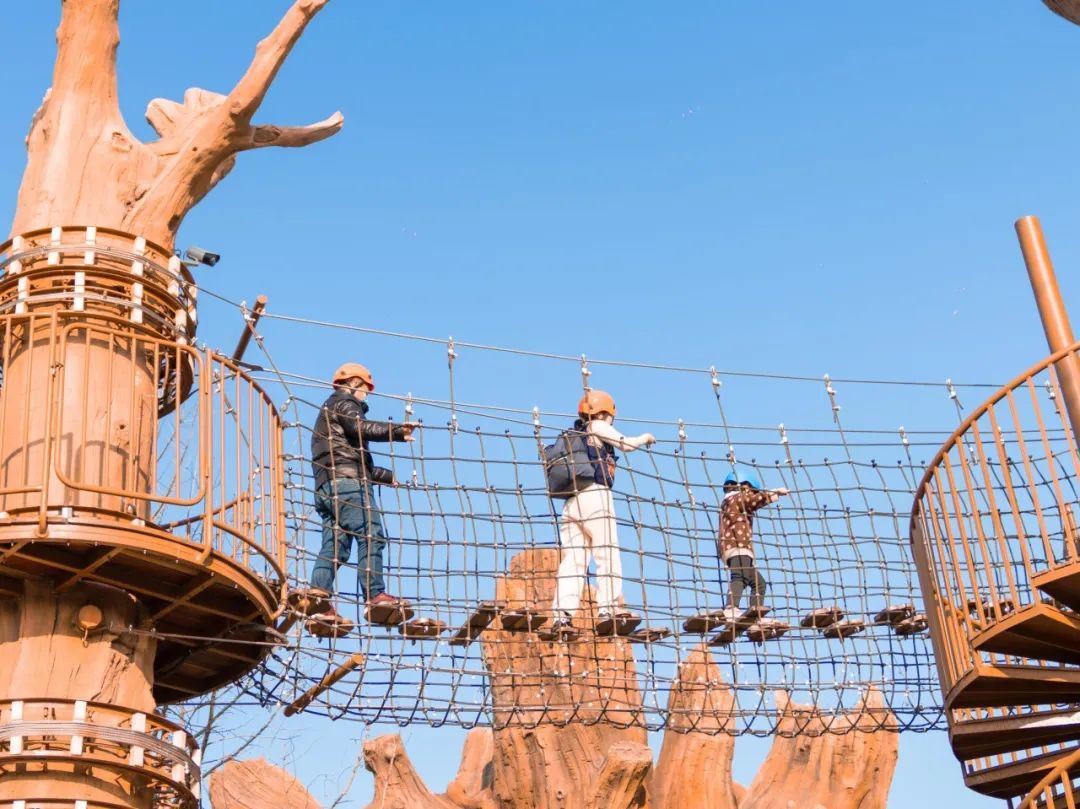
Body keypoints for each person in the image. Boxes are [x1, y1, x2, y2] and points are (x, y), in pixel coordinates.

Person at [307, 362, 417, 627]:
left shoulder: (327, 411)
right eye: (365, 389)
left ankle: (318, 598)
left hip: (327, 488)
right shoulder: (344, 402)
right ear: (355, 383)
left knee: (335, 546)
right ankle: (375, 595)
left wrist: (385, 476)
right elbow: (360, 428)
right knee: (371, 534)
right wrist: (397, 432)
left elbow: (345, 456)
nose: (366, 395)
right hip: (348, 486)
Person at [547, 390, 656, 636]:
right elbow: (626, 444)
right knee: (607, 552)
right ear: (605, 412)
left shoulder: (574, 435)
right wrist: (645, 438)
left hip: (571, 502)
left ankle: (561, 616)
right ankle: (607, 608)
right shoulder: (597, 425)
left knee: (573, 561)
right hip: (595, 496)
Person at [717, 471, 788, 620]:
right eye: (751, 491)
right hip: (737, 546)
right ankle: (731, 608)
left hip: (732, 547)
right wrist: (776, 493)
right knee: (739, 577)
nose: (752, 494)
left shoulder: (727, 502)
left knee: (759, 584)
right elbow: (755, 500)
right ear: (743, 487)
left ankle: (755, 616)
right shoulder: (737, 498)